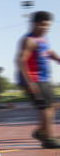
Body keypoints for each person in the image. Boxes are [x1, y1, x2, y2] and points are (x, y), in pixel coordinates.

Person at [16, 11, 60, 149]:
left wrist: (55, 57)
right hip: (34, 80)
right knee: (45, 109)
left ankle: (41, 132)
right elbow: (21, 61)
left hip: (44, 79)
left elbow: (47, 52)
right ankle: (49, 139)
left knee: (52, 106)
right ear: (35, 24)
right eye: (43, 25)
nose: (45, 27)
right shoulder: (28, 40)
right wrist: (30, 83)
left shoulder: (44, 39)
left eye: (48, 25)